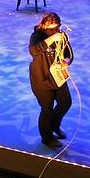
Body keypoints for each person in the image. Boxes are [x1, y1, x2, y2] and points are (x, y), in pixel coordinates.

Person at [28, 12, 74, 149]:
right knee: (47, 109)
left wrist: (66, 61)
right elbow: (34, 51)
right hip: (41, 78)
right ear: (44, 26)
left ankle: (54, 125)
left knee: (65, 102)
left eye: (57, 28)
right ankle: (47, 138)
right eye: (51, 29)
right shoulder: (37, 36)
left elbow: (69, 53)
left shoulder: (61, 36)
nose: (55, 31)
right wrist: (52, 39)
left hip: (57, 77)